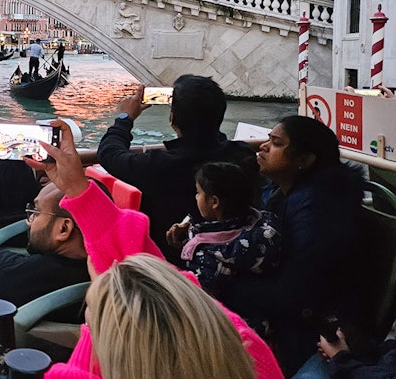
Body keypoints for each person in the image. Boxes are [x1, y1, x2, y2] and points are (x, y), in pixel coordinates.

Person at [25, 120, 283, 379]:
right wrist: (78, 189)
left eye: (94, 309)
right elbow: (161, 287)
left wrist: (93, 335)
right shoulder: (240, 349)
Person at [224, 116, 364, 376]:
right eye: (267, 140)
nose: (263, 147)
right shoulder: (281, 193)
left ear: (304, 161)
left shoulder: (319, 209)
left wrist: (226, 287)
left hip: (315, 330)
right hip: (290, 316)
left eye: (276, 143)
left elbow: (296, 290)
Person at [96, 75, 257, 265]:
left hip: (171, 266)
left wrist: (125, 117)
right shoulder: (243, 155)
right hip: (237, 259)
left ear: (172, 119)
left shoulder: (159, 166)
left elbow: (109, 153)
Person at [165, 161, 281, 300]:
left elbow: (197, 298)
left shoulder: (207, 256)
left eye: (198, 193)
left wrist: (189, 248)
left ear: (214, 202)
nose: (196, 197)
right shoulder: (266, 221)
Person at [0, 182, 89, 307]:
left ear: (63, 229)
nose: (29, 221)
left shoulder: (10, 277)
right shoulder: (102, 278)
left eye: (37, 212)